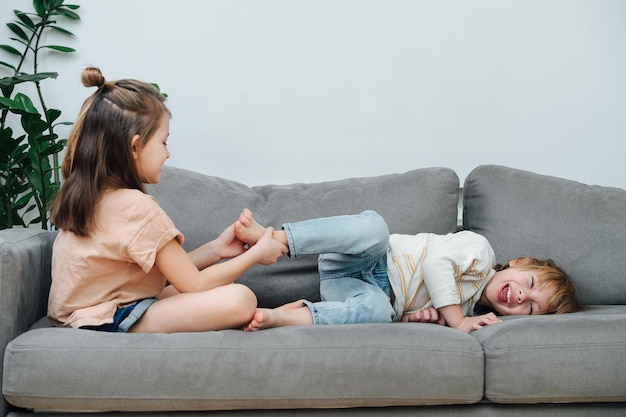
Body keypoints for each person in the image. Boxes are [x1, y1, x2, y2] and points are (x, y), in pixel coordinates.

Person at [48, 67, 288, 333]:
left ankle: (270, 317)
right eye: (163, 143)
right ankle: (268, 316)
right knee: (238, 297)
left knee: (223, 289)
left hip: (90, 314)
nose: (168, 154)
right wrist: (256, 254)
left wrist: (217, 249)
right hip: (107, 319)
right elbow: (194, 284)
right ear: (135, 147)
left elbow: (174, 275)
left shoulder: (93, 198)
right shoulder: (135, 207)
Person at [233, 209, 582, 333]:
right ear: (519, 263)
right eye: (530, 283)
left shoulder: (468, 310)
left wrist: (413, 318)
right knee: (374, 228)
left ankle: (282, 318)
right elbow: (434, 265)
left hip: (364, 295)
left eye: (531, 308)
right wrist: (456, 320)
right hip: (366, 259)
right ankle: (275, 239)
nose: (522, 297)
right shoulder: (479, 252)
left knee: (379, 313)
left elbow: (400, 311)